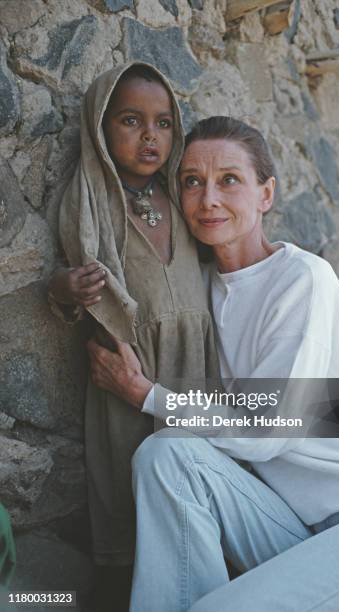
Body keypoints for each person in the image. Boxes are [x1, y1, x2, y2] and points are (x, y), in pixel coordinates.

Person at [88, 116, 339, 612]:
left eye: (229, 180)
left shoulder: (303, 280)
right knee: (164, 455)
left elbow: (268, 430)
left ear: (266, 194)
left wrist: (145, 394)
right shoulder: (202, 290)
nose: (208, 198)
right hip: (299, 525)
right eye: (192, 181)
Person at [47, 63, 219, 610]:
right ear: (100, 127)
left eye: (165, 123)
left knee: (198, 497)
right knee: (127, 497)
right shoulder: (93, 202)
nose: (151, 137)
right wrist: (65, 288)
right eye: (131, 120)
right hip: (129, 372)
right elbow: (70, 281)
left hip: (194, 367)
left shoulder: (182, 198)